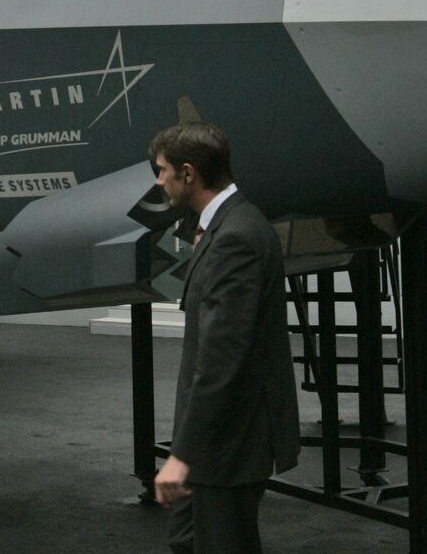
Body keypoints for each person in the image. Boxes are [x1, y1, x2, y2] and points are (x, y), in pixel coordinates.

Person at [149, 121, 299, 554]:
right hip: (219, 443)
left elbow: (221, 359)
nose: (159, 181)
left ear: (189, 173)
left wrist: (183, 455)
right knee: (186, 541)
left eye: (162, 171)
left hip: (228, 446)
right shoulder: (227, 226)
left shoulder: (236, 238)